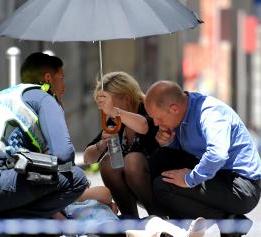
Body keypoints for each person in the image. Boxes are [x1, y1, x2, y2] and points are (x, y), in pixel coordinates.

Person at [0, 52, 88, 218]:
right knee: (76, 178)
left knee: (41, 173)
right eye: (61, 77)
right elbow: (64, 156)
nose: (64, 86)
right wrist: (58, 109)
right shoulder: (43, 98)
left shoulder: (5, 97)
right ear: (48, 78)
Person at [144, 80, 261, 237]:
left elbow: (217, 155)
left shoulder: (210, 113)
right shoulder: (182, 113)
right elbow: (186, 151)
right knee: (155, 163)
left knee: (162, 186)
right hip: (217, 175)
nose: (156, 123)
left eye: (157, 118)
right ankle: (228, 220)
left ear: (173, 109)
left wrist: (188, 179)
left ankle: (228, 221)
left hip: (241, 187)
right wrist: (169, 142)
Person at [84, 71, 159, 218]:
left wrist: (114, 111)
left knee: (132, 160)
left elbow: (144, 126)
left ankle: (159, 217)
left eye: (109, 105)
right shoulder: (114, 120)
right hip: (134, 188)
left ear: (127, 99)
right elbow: (88, 158)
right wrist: (101, 144)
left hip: (159, 183)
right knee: (107, 162)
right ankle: (130, 219)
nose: (106, 111)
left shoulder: (148, 109)